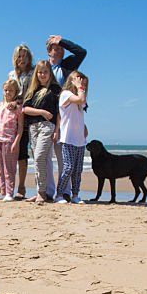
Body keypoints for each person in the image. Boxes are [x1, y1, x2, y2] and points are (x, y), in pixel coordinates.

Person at [22, 61, 62, 204]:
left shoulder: (55, 89)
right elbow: (25, 109)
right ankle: (40, 190)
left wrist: (57, 130)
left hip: (47, 127)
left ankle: (42, 192)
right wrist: (41, 112)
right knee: (38, 161)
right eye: (40, 72)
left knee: (39, 157)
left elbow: (59, 113)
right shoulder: (33, 90)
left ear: (50, 73)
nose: (42, 75)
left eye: (45, 72)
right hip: (33, 127)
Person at [55, 71, 89, 204]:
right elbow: (80, 100)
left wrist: (84, 127)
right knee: (68, 167)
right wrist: (80, 88)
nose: (81, 85)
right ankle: (59, 194)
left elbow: (78, 110)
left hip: (80, 139)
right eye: (78, 81)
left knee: (78, 170)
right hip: (68, 139)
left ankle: (75, 195)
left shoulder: (80, 96)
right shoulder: (65, 94)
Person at [0, 80, 23, 202]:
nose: (8, 93)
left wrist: (16, 142)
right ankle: (2, 192)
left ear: (15, 92)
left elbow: (20, 127)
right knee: (1, 168)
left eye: (11, 90)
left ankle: (9, 192)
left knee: (9, 168)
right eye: (6, 90)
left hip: (10, 140)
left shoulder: (18, 108)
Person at [7, 43, 34, 198]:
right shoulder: (11, 74)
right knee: (10, 153)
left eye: (25, 56)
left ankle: (22, 187)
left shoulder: (33, 72)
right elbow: (8, 92)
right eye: (19, 56)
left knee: (23, 154)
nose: (22, 59)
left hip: (28, 114)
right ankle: (4, 186)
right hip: (13, 116)